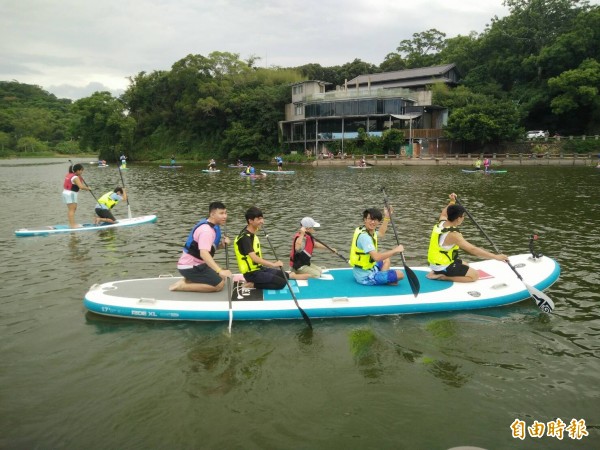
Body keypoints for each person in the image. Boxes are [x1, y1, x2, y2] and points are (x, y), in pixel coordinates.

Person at [427, 193, 509, 282]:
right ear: (458, 218)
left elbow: (444, 212)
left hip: (436, 263)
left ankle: (436, 271)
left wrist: (452, 201)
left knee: (466, 265)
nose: (463, 218)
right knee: (474, 276)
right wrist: (496, 257)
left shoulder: (442, 222)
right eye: (463, 216)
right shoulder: (453, 235)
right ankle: (442, 277)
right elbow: (472, 249)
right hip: (442, 266)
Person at [234, 207, 309, 290]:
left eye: (262, 218)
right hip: (251, 274)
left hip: (259, 269)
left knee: (285, 275)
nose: (262, 221)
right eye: (259, 219)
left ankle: (301, 276)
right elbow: (254, 258)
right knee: (282, 283)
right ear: (250, 221)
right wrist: (273, 264)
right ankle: (252, 284)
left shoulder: (251, 232)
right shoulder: (245, 238)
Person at [169, 201, 232, 292]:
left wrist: (221, 245)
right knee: (219, 285)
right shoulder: (206, 231)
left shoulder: (212, 225)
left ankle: (189, 280)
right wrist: (219, 270)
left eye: (225, 213)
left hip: (198, 264)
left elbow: (205, 247)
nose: (225, 216)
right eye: (221, 213)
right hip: (190, 266)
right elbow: (203, 253)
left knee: (222, 276)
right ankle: (182, 286)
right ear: (212, 214)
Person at [349, 208, 405, 286]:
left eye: (375, 220)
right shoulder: (364, 237)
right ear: (365, 220)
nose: (372, 222)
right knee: (400, 274)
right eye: (370, 219)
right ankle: (381, 279)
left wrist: (387, 217)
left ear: (378, 222)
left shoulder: (368, 231)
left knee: (386, 259)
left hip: (367, 269)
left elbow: (381, 233)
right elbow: (376, 258)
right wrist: (395, 250)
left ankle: (382, 278)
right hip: (365, 277)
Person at [62, 163, 91, 229]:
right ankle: (72, 225)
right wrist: (88, 188)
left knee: (72, 209)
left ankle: (72, 224)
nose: (82, 172)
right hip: (71, 194)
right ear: (77, 170)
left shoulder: (69, 175)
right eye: (81, 170)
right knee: (72, 210)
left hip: (66, 193)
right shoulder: (75, 177)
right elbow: (81, 187)